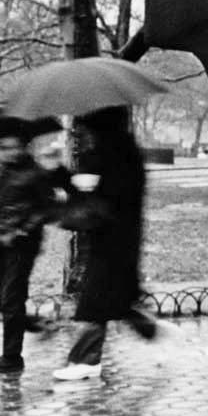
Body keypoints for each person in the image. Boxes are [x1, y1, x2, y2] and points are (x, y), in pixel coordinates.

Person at [53, 105, 164, 380]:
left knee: (96, 303)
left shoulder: (113, 155)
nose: (85, 131)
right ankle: (151, 329)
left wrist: (69, 180)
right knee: (114, 300)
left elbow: (101, 203)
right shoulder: (119, 151)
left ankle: (85, 361)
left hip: (113, 241)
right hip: (116, 240)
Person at [0, 121, 64, 373]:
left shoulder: (36, 173)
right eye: (1, 148)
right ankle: (42, 325)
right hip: (0, 242)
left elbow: (48, 209)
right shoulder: (6, 172)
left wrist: (22, 230)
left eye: (11, 147)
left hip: (21, 245)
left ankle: (12, 358)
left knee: (11, 299)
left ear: (22, 147)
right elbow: (8, 206)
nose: (6, 152)